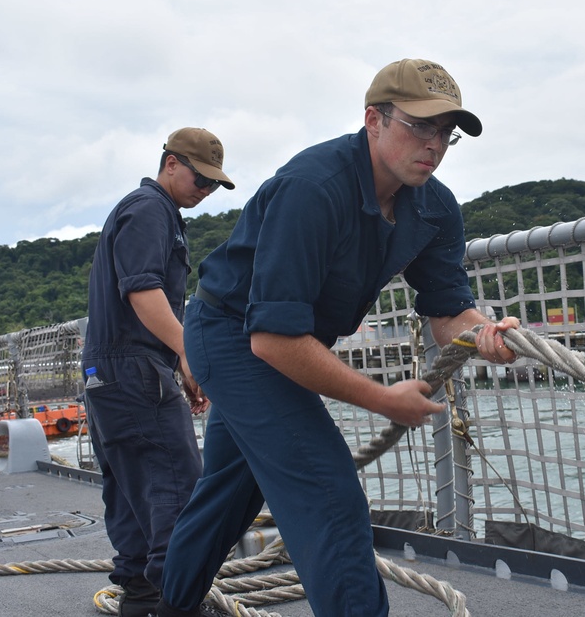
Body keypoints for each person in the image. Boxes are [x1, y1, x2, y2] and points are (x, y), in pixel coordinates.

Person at [155, 59, 520, 617]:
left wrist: (485, 333)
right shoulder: (314, 186)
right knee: (329, 493)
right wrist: (381, 398)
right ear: (373, 119)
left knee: (229, 494)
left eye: (446, 133)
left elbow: (448, 309)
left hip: (278, 341)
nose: (434, 144)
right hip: (231, 337)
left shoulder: (436, 206)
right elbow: (273, 340)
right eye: (419, 126)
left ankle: (170, 606)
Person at [81, 127, 235, 617]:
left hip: (108, 371)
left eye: (214, 184)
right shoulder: (151, 210)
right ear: (171, 163)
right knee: (177, 486)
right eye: (201, 178)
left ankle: (141, 596)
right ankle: (177, 602)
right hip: (133, 369)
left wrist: (176, 363)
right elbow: (143, 292)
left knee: (130, 489)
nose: (206, 191)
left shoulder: (147, 210)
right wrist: (188, 354)